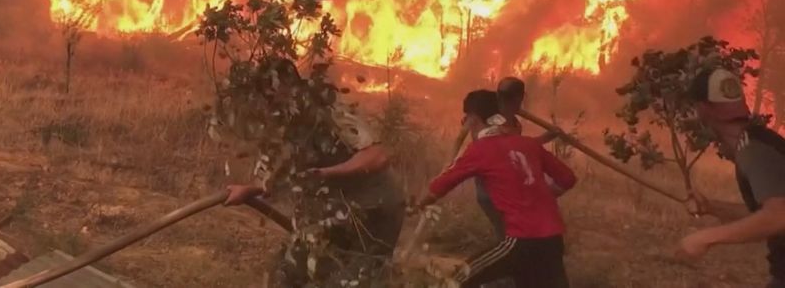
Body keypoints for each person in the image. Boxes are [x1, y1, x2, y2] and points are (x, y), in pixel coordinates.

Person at [223, 61, 405, 286]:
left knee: (351, 280)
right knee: (286, 275)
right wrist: (248, 191)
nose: (270, 100)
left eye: (275, 91)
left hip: (374, 211)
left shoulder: (328, 109)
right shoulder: (279, 125)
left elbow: (377, 156)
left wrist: (327, 173)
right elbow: (278, 177)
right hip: (332, 216)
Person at [418, 89, 576, 288]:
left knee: (456, 280)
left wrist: (418, 204)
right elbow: (567, 179)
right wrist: (542, 195)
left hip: (520, 242)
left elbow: (440, 185)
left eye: (465, 119)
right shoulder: (529, 144)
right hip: (553, 241)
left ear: (472, 119)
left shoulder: (480, 149)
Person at [677, 67, 785, 288]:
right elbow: (764, 215)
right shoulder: (760, 140)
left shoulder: (752, 150)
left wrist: (705, 238)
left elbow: (778, 216)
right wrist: (713, 207)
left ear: (702, 109)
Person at [475, 77, 560, 238]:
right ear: (520, 98)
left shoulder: (512, 122)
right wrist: (546, 137)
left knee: (511, 237)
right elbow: (511, 151)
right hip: (494, 191)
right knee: (510, 237)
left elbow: (518, 151)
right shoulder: (495, 124)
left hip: (505, 190)